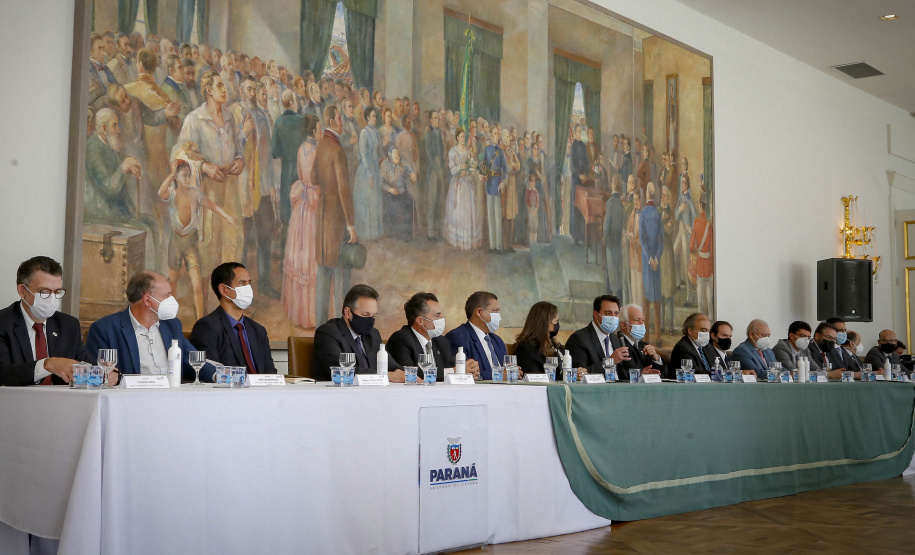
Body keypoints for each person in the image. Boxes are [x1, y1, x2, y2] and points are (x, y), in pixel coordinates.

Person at [173, 70, 245, 269]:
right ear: (208, 90)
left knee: (233, 236)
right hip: (207, 187)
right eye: (219, 85)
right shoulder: (195, 119)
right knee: (209, 238)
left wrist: (240, 160)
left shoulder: (230, 118)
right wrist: (204, 166)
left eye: (224, 85)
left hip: (230, 185)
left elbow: (239, 149)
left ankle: (228, 284)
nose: (224, 89)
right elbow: (181, 155)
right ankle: (209, 286)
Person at [86, 271, 210, 381]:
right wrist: (109, 377)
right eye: (167, 295)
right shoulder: (105, 329)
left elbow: (192, 359)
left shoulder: (172, 324)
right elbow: (96, 371)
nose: (172, 299)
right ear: (147, 300)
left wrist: (217, 375)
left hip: (172, 395)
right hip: (132, 397)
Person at [157, 158, 236, 320]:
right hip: (175, 243)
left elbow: (212, 205)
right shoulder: (172, 193)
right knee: (172, 284)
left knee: (198, 285)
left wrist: (227, 216)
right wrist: (171, 174)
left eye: (189, 175)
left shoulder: (195, 194)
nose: (188, 178)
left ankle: (200, 321)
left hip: (190, 244)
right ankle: (170, 320)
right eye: (184, 175)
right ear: (176, 177)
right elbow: (160, 193)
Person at [0, 256, 98, 386]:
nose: (52, 298)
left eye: (57, 292)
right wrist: (47, 365)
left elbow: (88, 366)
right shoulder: (3, 323)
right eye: (44, 291)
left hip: (60, 398)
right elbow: (3, 374)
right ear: (22, 291)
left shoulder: (68, 325)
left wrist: (110, 374)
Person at [190, 262, 277, 376]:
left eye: (249, 283)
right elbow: (211, 373)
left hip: (263, 387)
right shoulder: (207, 328)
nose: (248, 288)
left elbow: (271, 373)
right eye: (242, 283)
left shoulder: (258, 330)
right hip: (230, 387)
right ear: (224, 290)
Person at [313, 105, 357, 327]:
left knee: (323, 272)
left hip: (322, 217)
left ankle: (320, 325)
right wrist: (351, 224)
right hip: (337, 219)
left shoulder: (322, 144)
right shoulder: (337, 150)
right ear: (331, 121)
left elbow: (313, 177)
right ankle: (342, 327)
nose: (342, 121)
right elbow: (344, 190)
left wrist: (326, 187)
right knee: (341, 275)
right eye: (339, 118)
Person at [311, 284, 404, 382]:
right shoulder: (328, 333)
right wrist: (385, 376)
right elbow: (340, 370)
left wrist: (407, 374)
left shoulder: (373, 334)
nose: (370, 320)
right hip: (338, 390)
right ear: (348, 313)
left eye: (373, 316)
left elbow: (393, 367)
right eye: (365, 314)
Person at [281, 115, 322, 330]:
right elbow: (319, 179)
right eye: (319, 128)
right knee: (310, 254)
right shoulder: (317, 151)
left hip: (302, 207)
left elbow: (300, 173)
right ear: (314, 131)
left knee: (300, 253)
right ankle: (311, 315)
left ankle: (301, 312)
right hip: (313, 204)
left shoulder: (301, 149)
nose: (321, 131)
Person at [386, 293, 475, 381]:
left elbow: (452, 366)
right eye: (437, 315)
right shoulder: (401, 339)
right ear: (420, 321)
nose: (442, 318)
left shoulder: (441, 341)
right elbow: (410, 372)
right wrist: (453, 371)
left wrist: (469, 370)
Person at [565, 295, 633, 380]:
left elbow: (621, 372)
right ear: (596, 314)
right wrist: (610, 362)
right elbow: (581, 375)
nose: (613, 317)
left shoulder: (616, 339)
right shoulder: (579, 339)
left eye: (616, 313)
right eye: (608, 313)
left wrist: (641, 373)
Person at [446, 291, 507, 381]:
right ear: (479, 312)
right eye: (495, 311)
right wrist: (499, 375)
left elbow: (506, 371)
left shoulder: (497, 340)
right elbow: (467, 372)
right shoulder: (458, 337)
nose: (499, 317)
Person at [271, 90, 306, 243]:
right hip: (301, 170)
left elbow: (274, 152)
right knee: (301, 207)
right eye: (295, 101)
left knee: (287, 211)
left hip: (286, 171)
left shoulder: (279, 123)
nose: (297, 103)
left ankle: (285, 248)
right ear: (291, 103)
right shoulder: (302, 122)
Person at [444, 127, 483, 250]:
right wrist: (460, 168)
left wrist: (471, 171)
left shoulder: (468, 151)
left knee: (468, 210)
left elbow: (473, 166)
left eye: (463, 137)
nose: (462, 139)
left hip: (467, 184)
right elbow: (452, 170)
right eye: (461, 137)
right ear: (457, 138)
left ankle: (467, 239)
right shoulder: (453, 151)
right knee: (458, 211)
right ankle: (458, 239)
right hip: (457, 184)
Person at [354, 107, 383, 241]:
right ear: (367, 118)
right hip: (366, 171)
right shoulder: (364, 133)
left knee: (375, 200)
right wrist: (369, 175)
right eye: (372, 116)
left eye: (375, 116)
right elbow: (363, 155)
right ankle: (366, 233)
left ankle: (375, 233)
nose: (375, 118)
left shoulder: (376, 132)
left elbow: (380, 152)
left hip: (375, 168)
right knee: (368, 199)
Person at [639, 182, 663, 342]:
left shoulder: (643, 213)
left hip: (647, 262)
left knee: (646, 300)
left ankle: (646, 336)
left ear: (647, 194)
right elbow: (662, 240)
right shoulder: (658, 214)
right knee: (657, 299)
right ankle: (658, 336)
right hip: (656, 262)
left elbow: (642, 239)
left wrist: (649, 258)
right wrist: (656, 258)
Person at [618, 303, 666, 377]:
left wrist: (656, 359)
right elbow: (622, 372)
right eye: (637, 320)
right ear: (624, 325)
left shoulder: (644, 345)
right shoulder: (618, 344)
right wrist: (640, 374)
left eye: (643, 320)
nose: (641, 324)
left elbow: (664, 374)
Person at [482, 126, 508, 253]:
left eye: (497, 134)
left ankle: (498, 246)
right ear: (491, 136)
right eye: (495, 134)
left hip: (497, 184)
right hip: (489, 183)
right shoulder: (486, 149)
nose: (497, 136)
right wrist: (481, 174)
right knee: (490, 216)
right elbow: (482, 165)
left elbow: (505, 169)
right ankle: (492, 246)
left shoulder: (501, 151)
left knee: (497, 216)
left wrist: (503, 182)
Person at [423, 110, 446, 240]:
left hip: (440, 168)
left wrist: (442, 165)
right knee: (432, 200)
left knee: (440, 200)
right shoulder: (428, 134)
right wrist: (436, 168)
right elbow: (428, 154)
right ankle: (430, 232)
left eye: (438, 118)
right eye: (435, 118)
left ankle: (439, 231)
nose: (437, 120)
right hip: (433, 169)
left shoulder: (439, 133)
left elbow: (441, 152)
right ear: (431, 120)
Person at [602, 175, 624, 298]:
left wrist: (604, 237)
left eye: (611, 182)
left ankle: (608, 298)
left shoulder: (610, 202)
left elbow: (607, 224)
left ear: (614, 185)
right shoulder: (621, 203)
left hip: (610, 241)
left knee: (609, 272)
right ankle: (619, 298)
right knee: (617, 270)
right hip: (618, 241)